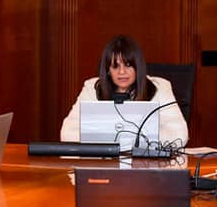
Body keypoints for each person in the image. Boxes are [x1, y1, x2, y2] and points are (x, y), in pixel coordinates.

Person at [59, 35, 189, 144]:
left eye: (128, 65)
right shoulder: (92, 88)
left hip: (146, 162)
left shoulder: (160, 88)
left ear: (138, 67)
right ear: (108, 70)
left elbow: (179, 135)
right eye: (115, 66)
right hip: (103, 161)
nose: (122, 72)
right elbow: (68, 133)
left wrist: (117, 139)